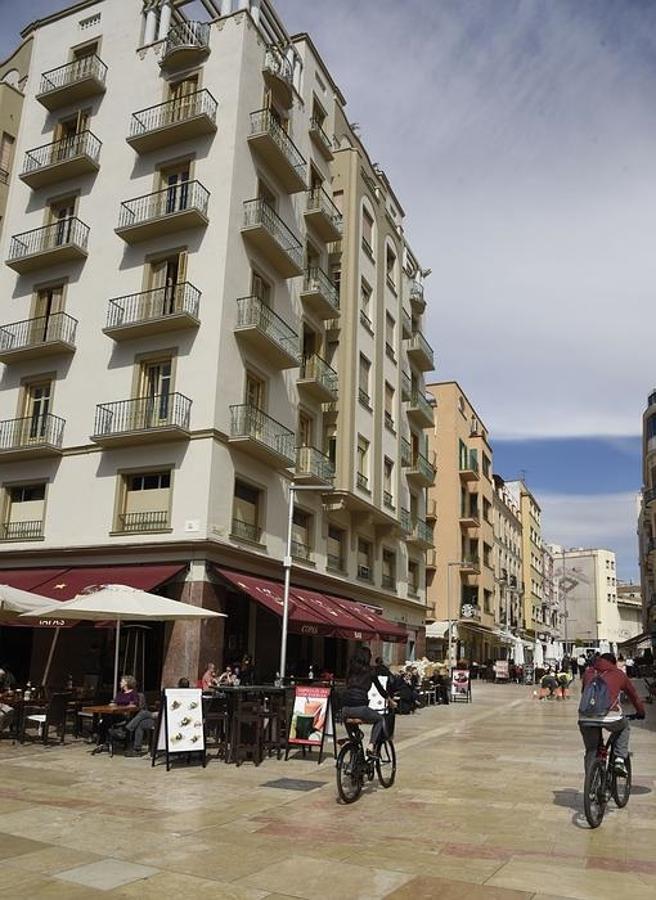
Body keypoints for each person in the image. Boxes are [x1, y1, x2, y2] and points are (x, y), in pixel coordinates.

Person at [578, 652, 646, 775]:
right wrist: (640, 712)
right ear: (614, 663)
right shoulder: (618, 674)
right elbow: (634, 696)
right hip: (610, 716)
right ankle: (619, 759)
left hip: (585, 717)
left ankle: (591, 781)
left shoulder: (588, 673)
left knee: (591, 749)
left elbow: (584, 693)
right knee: (624, 726)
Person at [341, 647, 389, 757]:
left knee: (355, 737)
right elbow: (380, 689)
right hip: (360, 708)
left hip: (345, 709)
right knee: (380, 719)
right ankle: (371, 746)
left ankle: (354, 750)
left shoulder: (350, 670)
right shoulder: (371, 671)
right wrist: (389, 699)